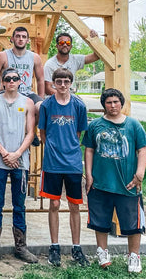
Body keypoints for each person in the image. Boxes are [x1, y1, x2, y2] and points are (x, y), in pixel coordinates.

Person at [82, 88, 146, 274]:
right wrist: (88, 175)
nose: (113, 105)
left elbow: (143, 149)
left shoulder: (134, 125)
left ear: (122, 103)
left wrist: (140, 173)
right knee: (99, 220)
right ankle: (102, 252)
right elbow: (89, 150)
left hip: (128, 184)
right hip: (101, 182)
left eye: (116, 102)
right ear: (104, 105)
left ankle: (134, 256)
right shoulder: (95, 125)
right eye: (109, 102)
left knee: (132, 222)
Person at [0, 68, 38, 264]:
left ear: (20, 81)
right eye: (8, 79)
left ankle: (21, 247)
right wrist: (5, 153)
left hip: (20, 161)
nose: (12, 81)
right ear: (3, 82)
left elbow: (31, 132)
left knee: (19, 205)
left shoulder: (28, 102)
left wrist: (17, 153)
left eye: (15, 78)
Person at [38, 68, 90, 267]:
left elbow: (78, 134)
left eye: (66, 81)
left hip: (73, 163)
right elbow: (43, 132)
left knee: (74, 205)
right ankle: (55, 246)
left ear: (71, 83)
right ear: (53, 83)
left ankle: (76, 247)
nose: (62, 85)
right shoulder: (47, 105)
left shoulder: (78, 105)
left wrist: (69, 149)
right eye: (58, 81)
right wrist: (53, 149)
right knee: (54, 205)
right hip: (52, 163)